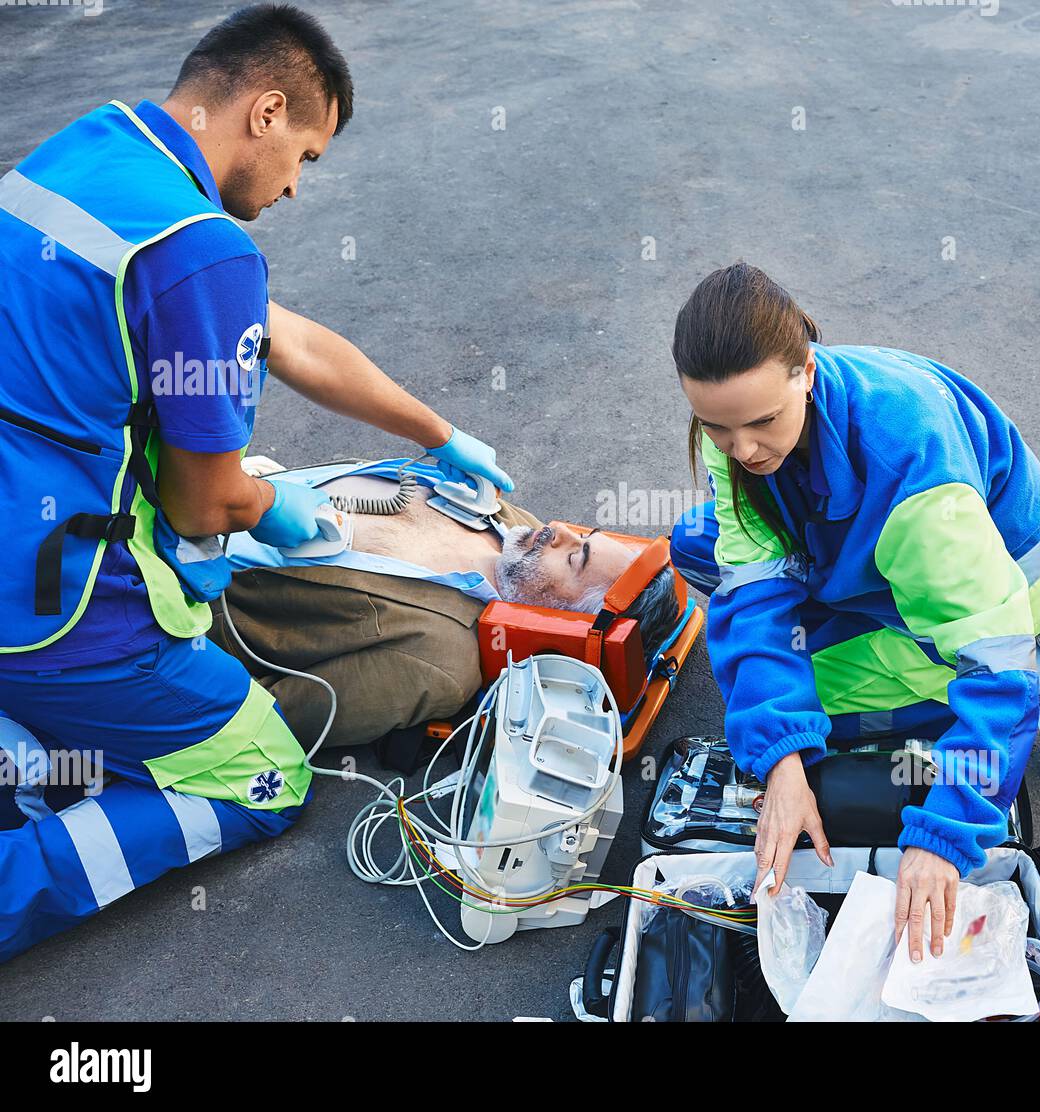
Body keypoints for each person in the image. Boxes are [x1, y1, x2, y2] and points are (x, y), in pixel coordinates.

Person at [0, 6, 509, 963]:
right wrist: (272, 508)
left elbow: (291, 340)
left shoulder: (93, 154)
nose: (293, 187)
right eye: (306, 157)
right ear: (267, 111)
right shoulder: (201, 247)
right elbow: (204, 504)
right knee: (264, 776)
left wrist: (439, 436)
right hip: (51, 612)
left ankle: (37, 748)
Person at [667, 262, 1040, 966]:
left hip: (1001, 586)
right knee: (695, 550)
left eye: (760, 424)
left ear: (805, 372)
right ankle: (958, 667)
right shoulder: (749, 419)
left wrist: (943, 838)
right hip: (879, 557)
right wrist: (782, 760)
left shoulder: (917, 491)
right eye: (716, 428)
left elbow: (994, 674)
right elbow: (754, 591)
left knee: (830, 707)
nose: (743, 450)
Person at [210, 460, 682, 748]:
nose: (559, 532)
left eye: (575, 557)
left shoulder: (437, 660)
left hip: (170, 582)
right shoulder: (510, 522)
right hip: (220, 479)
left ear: (563, 624)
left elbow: (266, 719)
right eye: (585, 536)